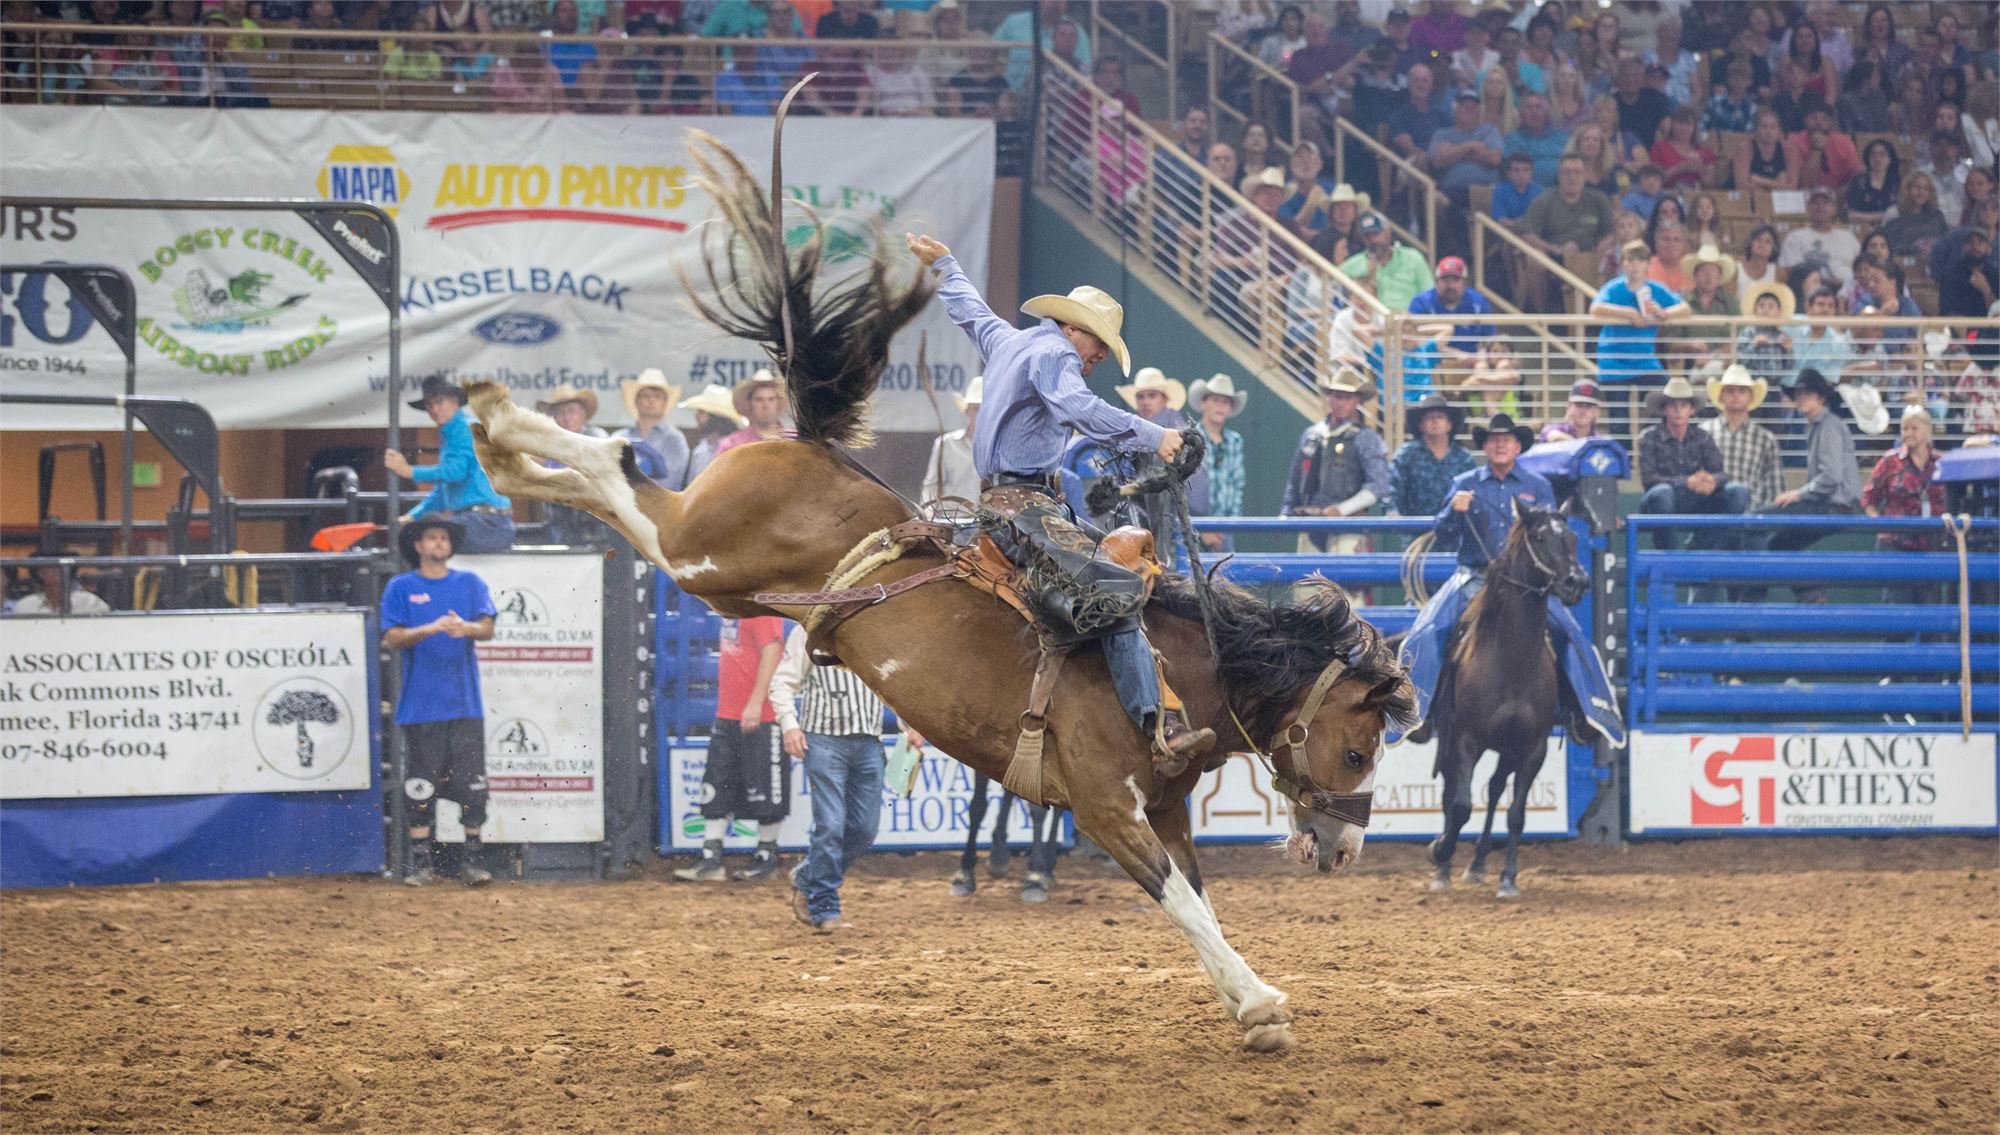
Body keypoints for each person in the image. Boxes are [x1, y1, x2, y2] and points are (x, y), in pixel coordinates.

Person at [907, 230, 1214, 771]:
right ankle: (1155, 723)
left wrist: (948, 266)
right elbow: (1078, 408)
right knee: (1118, 585)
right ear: (1074, 328)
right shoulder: (1055, 355)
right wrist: (1154, 436)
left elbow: (972, 312)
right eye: (1097, 345)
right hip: (1022, 508)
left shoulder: (1012, 342)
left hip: (1010, 504)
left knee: (1119, 570)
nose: (1096, 358)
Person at [1396, 412, 1624, 747]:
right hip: (1474, 577)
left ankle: (1585, 712)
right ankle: (1417, 712)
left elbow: (1553, 537)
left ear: (1518, 446)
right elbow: (1443, 535)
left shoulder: (1537, 486)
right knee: (1429, 629)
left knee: (1570, 633)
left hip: (1528, 585)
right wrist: (1451, 512)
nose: (1500, 444)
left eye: (1507, 439)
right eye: (1493, 439)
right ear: (1485, 446)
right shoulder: (1465, 483)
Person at [383, 517, 499, 887]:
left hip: (464, 704)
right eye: (431, 538)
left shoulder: (470, 583)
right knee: (420, 786)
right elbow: (393, 637)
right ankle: (421, 864)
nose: (438, 543)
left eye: (443, 538)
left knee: (471, 785)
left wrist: (465, 627)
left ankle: (474, 861)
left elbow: (488, 628)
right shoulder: (401, 587)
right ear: (417, 546)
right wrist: (429, 628)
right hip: (421, 706)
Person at [772, 621, 899, 932]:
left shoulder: (875, 631)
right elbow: (782, 682)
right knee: (831, 825)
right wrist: (790, 725)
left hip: (867, 740)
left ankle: (808, 877)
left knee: (864, 828)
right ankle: (824, 904)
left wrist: (910, 726)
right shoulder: (809, 631)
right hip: (824, 740)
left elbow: (894, 684)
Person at [674, 612, 790, 882]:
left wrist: (756, 702)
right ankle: (711, 855)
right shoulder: (735, 609)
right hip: (729, 712)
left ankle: (766, 855)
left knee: (766, 787)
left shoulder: (759, 608)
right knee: (717, 783)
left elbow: (772, 650)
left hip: (760, 714)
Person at [1755, 368, 1862, 603]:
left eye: (1808, 393)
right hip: (1829, 505)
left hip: (1831, 506)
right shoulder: (1817, 425)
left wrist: (1799, 493)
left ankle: (1751, 603)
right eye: (1799, 394)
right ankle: (1810, 593)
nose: (1801, 398)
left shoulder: (1828, 425)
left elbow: (1831, 477)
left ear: (1821, 398)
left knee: (1756, 520)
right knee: (1778, 545)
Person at [385, 375, 517, 553]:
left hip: (486, 523)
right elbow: (442, 491)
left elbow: (456, 473)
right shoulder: (455, 431)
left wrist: (409, 471)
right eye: (430, 405)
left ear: (455, 401)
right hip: (484, 523)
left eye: (439, 402)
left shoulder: (463, 428)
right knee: (424, 536)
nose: (434, 409)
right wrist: (411, 517)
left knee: (428, 538)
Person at [1280, 366, 1390, 554]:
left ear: (1357, 400)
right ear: (1329, 397)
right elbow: (1296, 478)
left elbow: (1379, 485)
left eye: (1347, 397)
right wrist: (1286, 511)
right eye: (1337, 396)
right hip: (1311, 523)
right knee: (1308, 581)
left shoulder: (1367, 438)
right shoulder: (1311, 435)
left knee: (1344, 581)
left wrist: (1343, 509)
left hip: (1349, 526)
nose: (1341, 403)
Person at [1637, 375, 1748, 550]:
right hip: (1660, 502)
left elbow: (1721, 473)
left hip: (1694, 499)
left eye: (1683, 405)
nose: (1678, 411)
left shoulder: (1702, 437)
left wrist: (1711, 481)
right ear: (1665, 409)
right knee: (1662, 493)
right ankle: (1670, 556)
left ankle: (1701, 547)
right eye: (1673, 405)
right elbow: (1649, 480)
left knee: (1738, 492)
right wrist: (1687, 482)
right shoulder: (1649, 437)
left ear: (1691, 409)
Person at [1863, 405, 1948, 604]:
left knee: (1930, 608)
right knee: (1896, 605)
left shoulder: (1943, 463)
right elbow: (1868, 498)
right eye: (1904, 428)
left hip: (1931, 545)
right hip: (1896, 544)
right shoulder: (1889, 462)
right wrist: (1879, 524)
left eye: (1914, 428)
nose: (1908, 433)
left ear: (1928, 431)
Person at [1518, 154, 1616, 311]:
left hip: (1591, 255)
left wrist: (1602, 246)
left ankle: (1606, 314)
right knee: (1534, 260)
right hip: (1554, 257)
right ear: (1559, 176)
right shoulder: (1544, 200)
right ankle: (1541, 318)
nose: (1572, 177)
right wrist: (1556, 249)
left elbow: (1612, 232)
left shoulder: (1598, 199)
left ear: (1585, 176)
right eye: (1567, 172)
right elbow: (1528, 234)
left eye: (1577, 172)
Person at [1590, 240, 1688, 386]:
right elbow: (1596, 309)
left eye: (1640, 259)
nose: (1635, 264)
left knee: (1663, 398)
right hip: (1613, 360)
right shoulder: (1613, 287)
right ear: (1623, 264)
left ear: (1648, 264)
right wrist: (1630, 313)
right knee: (1618, 409)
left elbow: (1685, 309)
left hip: (1645, 359)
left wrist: (1663, 313)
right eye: (1630, 260)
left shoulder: (1656, 289)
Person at [1388, 393, 1474, 518]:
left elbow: (1474, 494)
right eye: (1429, 417)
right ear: (1420, 425)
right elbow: (1391, 490)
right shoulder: (1405, 456)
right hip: (1413, 531)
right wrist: (1393, 512)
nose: (1435, 421)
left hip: (1455, 531)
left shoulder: (1464, 458)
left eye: (1440, 417)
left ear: (1449, 425)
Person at [1188, 373, 1248, 550]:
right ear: (1204, 403)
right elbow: (1185, 489)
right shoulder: (1191, 437)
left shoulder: (1235, 441)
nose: (1220, 406)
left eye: (1225, 401)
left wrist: (1230, 526)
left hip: (1225, 529)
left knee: (1226, 576)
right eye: (1215, 400)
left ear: (1230, 408)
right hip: (1192, 526)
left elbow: (1238, 485)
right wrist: (1200, 527)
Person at [1339, 211, 1434, 315]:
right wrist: (1369, 278)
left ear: (1388, 232)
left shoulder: (1413, 258)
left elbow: (1429, 295)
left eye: (1376, 233)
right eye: (1367, 236)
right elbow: (1338, 298)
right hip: (1371, 325)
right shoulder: (1351, 266)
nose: (1373, 240)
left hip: (1410, 322)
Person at [614, 369, 689, 490]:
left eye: (658, 396)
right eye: (646, 395)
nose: (651, 400)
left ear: (665, 403)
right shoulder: (619, 437)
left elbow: (670, 482)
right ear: (636, 401)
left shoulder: (674, 439)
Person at [1778, 188, 1862, 291]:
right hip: (1814, 293)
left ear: (1834, 208)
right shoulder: (1795, 237)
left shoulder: (1849, 237)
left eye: (1825, 203)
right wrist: (1829, 282)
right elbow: (1793, 273)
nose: (1820, 207)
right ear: (1808, 208)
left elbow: (1862, 267)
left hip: (1850, 292)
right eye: (1815, 203)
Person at [921, 376, 982, 504]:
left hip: (984, 521)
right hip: (948, 519)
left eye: (985, 409)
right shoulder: (946, 444)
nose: (981, 414)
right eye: (977, 408)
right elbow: (932, 485)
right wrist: (928, 515)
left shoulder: (998, 450)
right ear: (967, 410)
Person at [677, 382, 746, 483]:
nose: (696, 416)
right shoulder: (700, 451)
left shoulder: (736, 448)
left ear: (715, 417)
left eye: (701, 412)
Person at [714, 369, 793, 457]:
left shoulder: (794, 440)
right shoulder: (732, 444)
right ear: (749, 404)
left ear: (778, 402)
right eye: (759, 400)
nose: (766, 406)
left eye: (771, 399)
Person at [1735, 280, 1797, 389]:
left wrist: (1788, 350)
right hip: (1751, 385)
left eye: (1771, 306)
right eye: (1761, 306)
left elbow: (1789, 367)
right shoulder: (1748, 332)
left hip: (1774, 386)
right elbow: (1740, 359)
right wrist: (1754, 345)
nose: (1766, 310)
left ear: (1778, 312)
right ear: (1754, 310)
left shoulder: (1781, 335)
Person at [1503, 92, 1568, 187]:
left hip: (1560, 192)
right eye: (1529, 107)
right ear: (1521, 113)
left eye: (1538, 107)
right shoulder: (1513, 139)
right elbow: (1511, 172)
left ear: (1546, 112)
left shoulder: (1561, 136)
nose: (1534, 111)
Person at [8, 556, 111, 615]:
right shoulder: (25, 605)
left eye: (59, 568)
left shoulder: (91, 602)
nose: (54, 572)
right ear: (40, 573)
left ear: (69, 572)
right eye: (49, 568)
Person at [1539, 378, 1603, 443]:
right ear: (1569, 407)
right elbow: (1549, 434)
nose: (1583, 411)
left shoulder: (1598, 440)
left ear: (1597, 411)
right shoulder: (1555, 429)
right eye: (1579, 404)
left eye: (1589, 405)